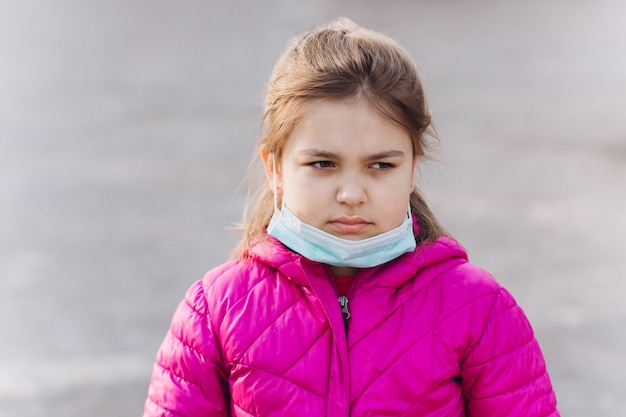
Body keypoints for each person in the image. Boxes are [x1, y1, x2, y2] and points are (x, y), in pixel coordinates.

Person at [144, 18, 559, 417]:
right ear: (274, 168)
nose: (352, 194)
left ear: (413, 167)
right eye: (323, 164)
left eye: (380, 166)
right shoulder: (216, 311)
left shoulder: (478, 309)